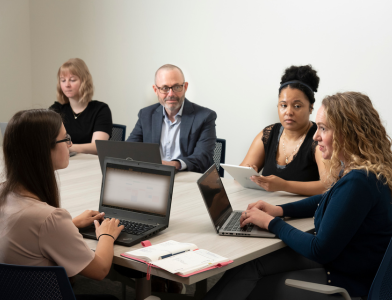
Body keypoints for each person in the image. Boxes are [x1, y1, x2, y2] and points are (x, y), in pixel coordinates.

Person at [204, 92, 392, 300]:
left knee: (253, 280)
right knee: (253, 264)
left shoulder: (359, 182)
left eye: (323, 128)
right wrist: (281, 210)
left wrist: (271, 223)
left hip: (344, 281)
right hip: (344, 261)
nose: (316, 136)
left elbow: (319, 249)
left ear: (346, 133)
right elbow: (327, 199)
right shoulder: (368, 171)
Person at [0, 109, 122, 300]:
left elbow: (31, 233)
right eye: (65, 138)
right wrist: (106, 235)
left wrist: (71, 224)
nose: (69, 145)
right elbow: (100, 270)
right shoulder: (48, 218)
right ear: (45, 149)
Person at [240, 65, 326, 196]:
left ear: (311, 107)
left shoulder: (319, 138)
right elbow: (239, 176)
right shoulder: (268, 134)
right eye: (283, 105)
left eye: (297, 106)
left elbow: (328, 185)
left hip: (304, 212)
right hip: (267, 207)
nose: (288, 112)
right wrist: (248, 173)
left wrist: (284, 186)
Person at [127, 64, 217, 173]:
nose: (171, 94)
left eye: (177, 87)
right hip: (154, 176)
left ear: (185, 87)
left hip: (188, 178)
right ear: (156, 90)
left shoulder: (205, 116)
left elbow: (203, 157)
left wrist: (174, 165)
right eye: (165, 88)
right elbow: (130, 149)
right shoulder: (146, 114)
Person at [50, 58, 112, 155]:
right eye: (63, 80)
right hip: (65, 161)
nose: (67, 85)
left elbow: (97, 147)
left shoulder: (101, 109)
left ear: (84, 81)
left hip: (90, 163)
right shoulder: (55, 109)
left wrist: (67, 148)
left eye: (72, 80)